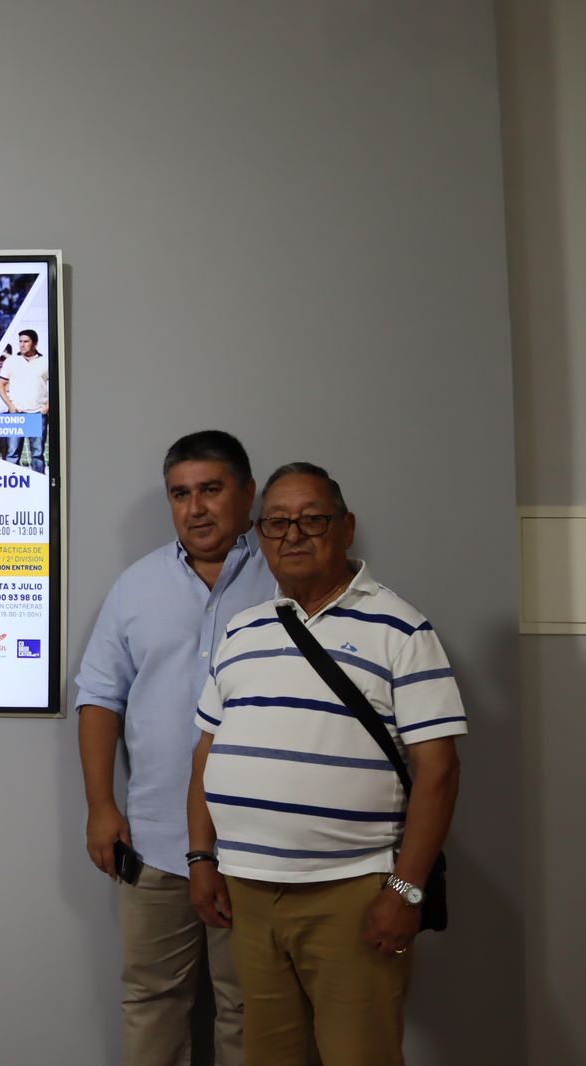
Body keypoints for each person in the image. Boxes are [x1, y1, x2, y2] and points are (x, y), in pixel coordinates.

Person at [187, 462, 467, 1066]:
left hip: (354, 890)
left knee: (358, 1055)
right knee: (269, 1054)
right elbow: (206, 753)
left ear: (346, 527)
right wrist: (202, 858)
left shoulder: (402, 629)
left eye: (312, 519)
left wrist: (405, 888)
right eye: (276, 522)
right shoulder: (243, 629)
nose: (293, 534)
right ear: (259, 535)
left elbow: (439, 772)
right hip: (249, 890)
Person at [72, 430, 274, 1066]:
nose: (196, 508)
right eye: (180, 494)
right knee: (152, 999)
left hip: (256, 843)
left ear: (247, 493)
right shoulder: (136, 586)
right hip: (154, 840)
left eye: (211, 490)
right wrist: (101, 806)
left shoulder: (287, 579)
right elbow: (100, 698)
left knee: (250, 1005)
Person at [0, 328, 50, 473]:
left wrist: (48, 405)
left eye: (26, 341)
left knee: (37, 454)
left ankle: (39, 486)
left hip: (37, 413)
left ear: (35, 343)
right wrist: (10, 405)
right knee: (12, 453)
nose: (22, 344)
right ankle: (12, 487)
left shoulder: (46, 361)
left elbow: (56, 385)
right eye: (20, 341)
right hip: (17, 413)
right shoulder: (11, 361)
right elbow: (0, 384)